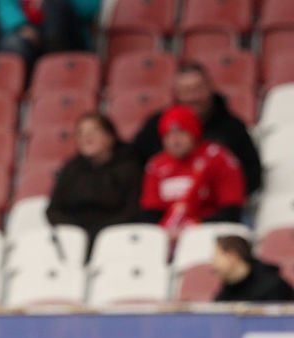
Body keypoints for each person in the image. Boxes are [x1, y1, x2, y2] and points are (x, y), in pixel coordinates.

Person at [131, 62, 262, 194]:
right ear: (176, 94)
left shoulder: (233, 127)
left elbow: (252, 172)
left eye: (198, 88)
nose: (193, 97)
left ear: (210, 88)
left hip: (221, 205)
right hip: (167, 204)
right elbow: (134, 161)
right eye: (186, 91)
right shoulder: (157, 125)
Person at [140, 105, 245, 238]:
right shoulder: (156, 165)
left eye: (180, 133)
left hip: (210, 234)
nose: (174, 140)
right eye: (168, 135)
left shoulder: (218, 158)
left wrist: (192, 228)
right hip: (167, 235)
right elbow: (150, 214)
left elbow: (231, 211)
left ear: (193, 132)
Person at [46, 112, 144, 254]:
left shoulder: (129, 168)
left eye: (94, 131)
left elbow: (132, 210)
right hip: (73, 240)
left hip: (116, 238)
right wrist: (75, 232)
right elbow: (53, 210)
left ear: (110, 137)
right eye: (81, 133)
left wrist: (100, 233)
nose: (87, 137)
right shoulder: (71, 169)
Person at [0, 0, 102, 65]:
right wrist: (20, 26)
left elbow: (90, 7)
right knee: (15, 45)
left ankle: (58, 70)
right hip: (29, 30)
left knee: (54, 7)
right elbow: (5, 7)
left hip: (67, 33)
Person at [213, 235, 294, 302]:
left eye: (216, 258)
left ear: (232, 256)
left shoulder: (274, 287)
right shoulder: (226, 292)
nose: (213, 265)